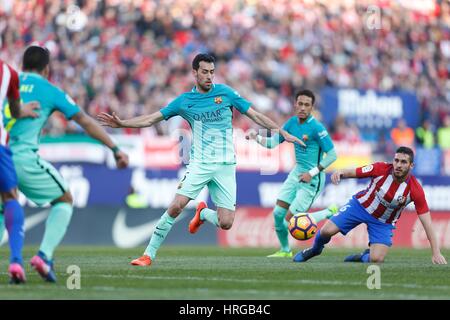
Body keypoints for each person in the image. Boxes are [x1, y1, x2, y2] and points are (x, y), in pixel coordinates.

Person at [97, 53, 304, 266]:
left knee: (226, 223)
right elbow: (152, 118)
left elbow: (255, 115)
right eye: (204, 72)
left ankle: (203, 213)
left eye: (212, 72)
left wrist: (281, 132)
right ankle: (148, 255)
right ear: (194, 72)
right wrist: (123, 124)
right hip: (200, 164)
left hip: (226, 166)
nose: (209, 76)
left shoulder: (226, 94)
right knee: (176, 206)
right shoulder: (184, 101)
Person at [1, 46, 129, 282]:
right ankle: (44, 256)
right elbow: (84, 122)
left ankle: (17, 263)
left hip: (2, 154)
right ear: (47, 69)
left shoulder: (9, 80)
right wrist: (115, 148)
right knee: (65, 198)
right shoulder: (49, 90)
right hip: (22, 159)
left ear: (23, 64)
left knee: (5, 208)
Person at [293, 146, 447, 265]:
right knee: (326, 231)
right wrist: (340, 173)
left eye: (403, 162)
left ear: (411, 165)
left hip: (383, 222)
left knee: (376, 259)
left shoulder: (415, 189)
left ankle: (363, 256)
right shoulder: (380, 168)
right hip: (359, 207)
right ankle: (314, 250)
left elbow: (427, 223)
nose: (398, 165)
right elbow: (356, 172)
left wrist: (436, 252)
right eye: (396, 160)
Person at [246, 89, 338, 257]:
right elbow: (273, 144)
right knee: (277, 214)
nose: (303, 107)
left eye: (307, 105)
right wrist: (255, 137)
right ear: (295, 104)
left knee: (291, 219)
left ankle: (328, 212)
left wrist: (312, 172)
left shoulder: (317, 128)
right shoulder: (290, 124)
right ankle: (285, 250)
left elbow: (332, 155)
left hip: (312, 178)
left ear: (312, 108)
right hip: (297, 172)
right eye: (300, 104)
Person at [0, 59, 40, 283]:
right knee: (10, 198)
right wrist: (23, 110)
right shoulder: (8, 72)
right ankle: (16, 261)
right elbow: (15, 110)